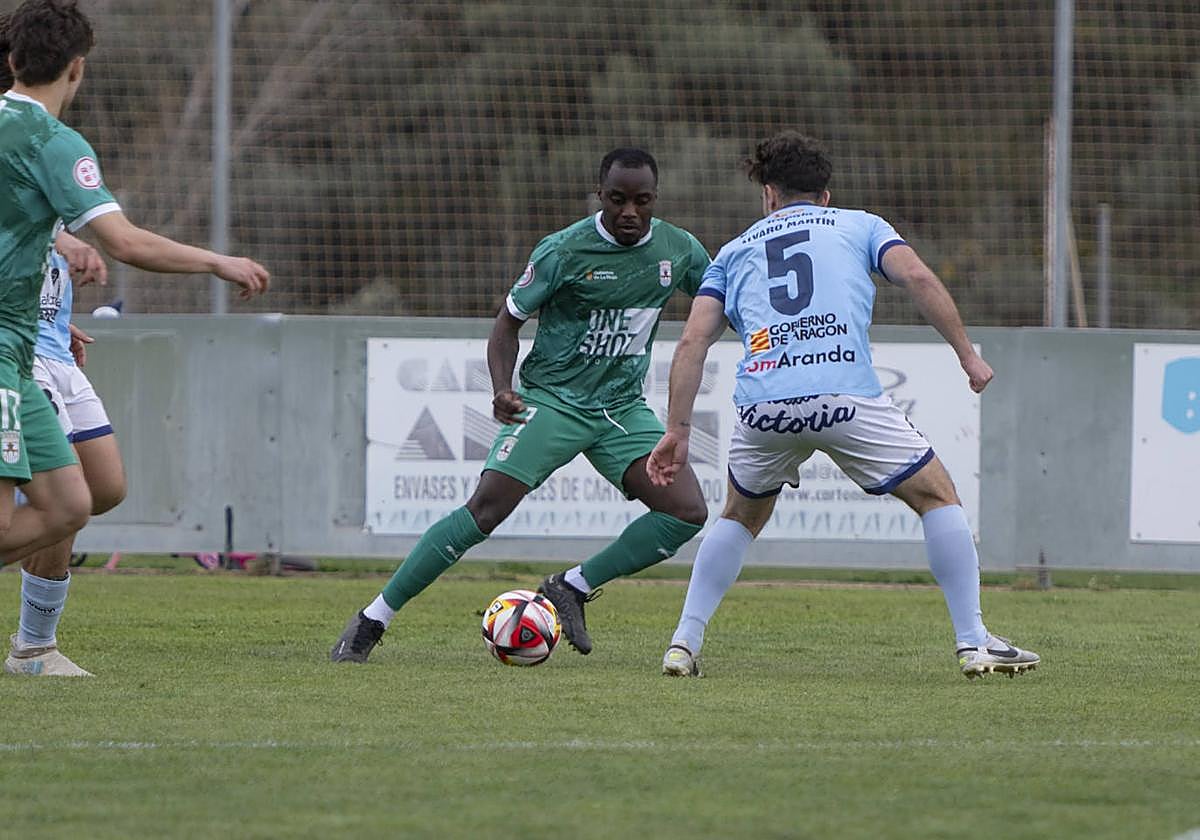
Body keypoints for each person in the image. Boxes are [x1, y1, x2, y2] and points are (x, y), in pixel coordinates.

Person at [646, 131, 1039, 680]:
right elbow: (917, 277)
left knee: (739, 515)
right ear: (825, 195)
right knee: (937, 497)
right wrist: (967, 355)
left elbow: (692, 342)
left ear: (769, 195)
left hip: (764, 409)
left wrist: (678, 430)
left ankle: (682, 644)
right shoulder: (861, 225)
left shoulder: (732, 252)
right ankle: (973, 642)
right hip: (844, 399)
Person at [332, 148, 711, 662]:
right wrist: (501, 388)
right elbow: (507, 324)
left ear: (655, 198)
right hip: (554, 401)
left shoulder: (678, 249)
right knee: (485, 510)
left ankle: (572, 587)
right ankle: (372, 620)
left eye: (641, 201)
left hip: (620, 409)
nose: (629, 212)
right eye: (617, 199)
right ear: (599, 195)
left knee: (686, 512)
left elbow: (719, 300)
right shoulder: (563, 251)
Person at [1, 0, 269, 676]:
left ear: (12, 59)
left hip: (26, 343)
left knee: (76, 501)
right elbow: (124, 242)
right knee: (42, 511)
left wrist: (42, 309)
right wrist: (216, 261)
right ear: (77, 68)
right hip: (7, 353)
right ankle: (33, 648)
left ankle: (33, 649)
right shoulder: (52, 142)